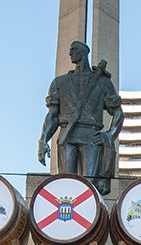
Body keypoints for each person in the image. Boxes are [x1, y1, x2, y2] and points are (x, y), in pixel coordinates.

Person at [38, 40, 124, 195]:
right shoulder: (59, 82)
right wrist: (43, 140)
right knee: (66, 184)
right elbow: (52, 115)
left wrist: (109, 135)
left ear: (84, 53)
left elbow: (118, 113)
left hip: (90, 135)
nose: (70, 53)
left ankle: (91, 215)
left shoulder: (103, 83)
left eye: (74, 49)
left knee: (90, 186)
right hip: (67, 134)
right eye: (70, 50)